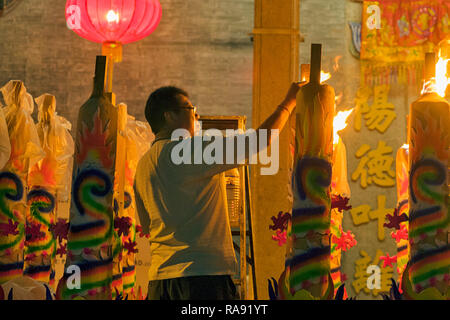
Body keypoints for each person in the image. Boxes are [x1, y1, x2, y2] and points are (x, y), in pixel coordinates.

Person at [134, 82, 305, 300]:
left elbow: (147, 225)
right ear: (168, 116)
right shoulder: (188, 150)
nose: (195, 116)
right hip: (201, 278)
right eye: (189, 109)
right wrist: (288, 103)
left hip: (160, 281)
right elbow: (256, 142)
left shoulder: (144, 164)